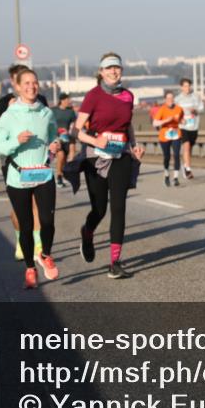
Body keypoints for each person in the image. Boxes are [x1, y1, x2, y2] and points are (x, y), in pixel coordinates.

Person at [75, 52, 145, 279]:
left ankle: (115, 262)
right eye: (109, 68)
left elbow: (128, 124)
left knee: (118, 207)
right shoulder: (93, 96)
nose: (114, 71)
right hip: (95, 157)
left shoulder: (128, 96)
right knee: (100, 209)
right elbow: (77, 130)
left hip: (121, 154)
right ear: (101, 72)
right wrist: (95, 141)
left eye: (117, 67)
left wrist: (134, 145)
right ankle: (87, 232)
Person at [0, 68, 62, 289]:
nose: (32, 87)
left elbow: (53, 134)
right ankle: (30, 268)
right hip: (18, 176)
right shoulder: (9, 115)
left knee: (48, 221)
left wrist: (55, 144)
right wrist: (16, 142)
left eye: (35, 82)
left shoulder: (46, 112)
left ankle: (45, 254)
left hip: (42, 173)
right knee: (26, 225)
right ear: (18, 87)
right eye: (27, 83)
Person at [0, 65, 50, 259]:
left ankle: (38, 246)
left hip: (37, 163)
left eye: (33, 81)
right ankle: (22, 240)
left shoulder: (41, 102)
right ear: (14, 83)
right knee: (20, 209)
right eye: (21, 80)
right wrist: (10, 111)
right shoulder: (5, 103)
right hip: (13, 162)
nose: (30, 86)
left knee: (37, 206)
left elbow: (48, 126)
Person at [151, 91, 184, 186]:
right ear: (165, 99)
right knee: (167, 156)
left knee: (176, 155)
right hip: (164, 135)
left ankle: (176, 178)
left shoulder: (179, 109)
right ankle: (166, 174)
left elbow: (182, 119)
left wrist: (183, 121)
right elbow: (155, 123)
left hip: (176, 134)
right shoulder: (162, 109)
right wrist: (166, 120)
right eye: (168, 98)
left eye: (172, 98)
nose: (170, 100)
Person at [175, 77, 205, 179]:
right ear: (181, 87)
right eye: (185, 86)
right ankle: (188, 169)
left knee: (189, 148)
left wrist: (196, 110)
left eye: (188, 86)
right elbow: (174, 113)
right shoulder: (177, 99)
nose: (187, 88)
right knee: (186, 146)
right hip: (182, 126)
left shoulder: (196, 97)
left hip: (193, 126)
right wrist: (180, 119)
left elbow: (202, 109)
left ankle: (185, 165)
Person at [51, 93, 78, 187]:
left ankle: (61, 175)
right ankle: (58, 177)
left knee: (64, 160)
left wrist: (70, 133)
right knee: (61, 155)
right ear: (62, 100)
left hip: (66, 138)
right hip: (56, 138)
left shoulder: (71, 112)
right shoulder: (53, 110)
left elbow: (74, 125)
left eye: (69, 99)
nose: (69, 101)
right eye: (67, 100)